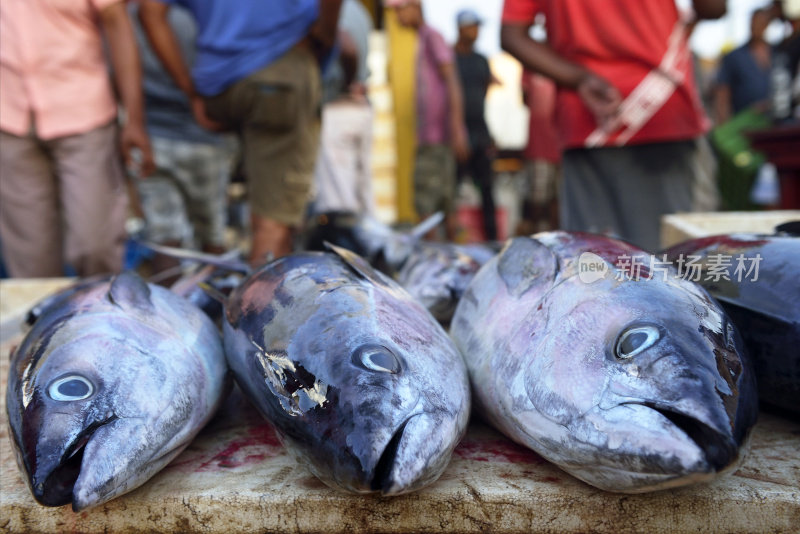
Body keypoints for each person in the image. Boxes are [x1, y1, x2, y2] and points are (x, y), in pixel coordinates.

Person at [501, 0, 726, 252]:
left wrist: (579, 78)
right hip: (662, 107)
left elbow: (512, 35)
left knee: (595, 265)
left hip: (589, 118)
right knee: (682, 259)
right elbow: (712, 8)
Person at [139, 0, 343, 265]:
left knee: (231, 216)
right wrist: (325, 34)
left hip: (217, 84)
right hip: (280, 70)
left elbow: (150, 11)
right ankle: (259, 304)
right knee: (273, 222)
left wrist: (189, 90)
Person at [0, 0, 154, 278]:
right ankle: (43, 321)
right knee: (30, 259)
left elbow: (118, 24)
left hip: (84, 116)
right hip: (8, 120)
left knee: (94, 246)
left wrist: (134, 119)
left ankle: (99, 316)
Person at [130, 3, 236, 278]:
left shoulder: (128, 17)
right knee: (211, 232)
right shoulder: (203, 16)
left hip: (150, 138)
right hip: (203, 137)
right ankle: (218, 304)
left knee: (165, 236)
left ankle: (167, 314)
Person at [389, 0, 470, 241]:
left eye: (399, 10)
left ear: (414, 7)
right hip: (432, 138)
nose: (397, 17)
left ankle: (431, 263)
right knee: (442, 203)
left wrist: (456, 128)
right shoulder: (422, 39)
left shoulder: (432, 36)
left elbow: (452, 79)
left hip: (436, 139)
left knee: (427, 205)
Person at [454, 8, 498, 242]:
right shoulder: (450, 59)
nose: (477, 31)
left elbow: (483, 96)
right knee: (452, 191)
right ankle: (453, 241)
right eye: (473, 26)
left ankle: (492, 241)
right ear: (462, 28)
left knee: (488, 190)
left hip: (480, 134)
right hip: (457, 135)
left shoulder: (481, 61)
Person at [713, 8, 776, 125]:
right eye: (753, 23)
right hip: (744, 124)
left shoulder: (777, 53)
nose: (756, 27)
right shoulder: (734, 56)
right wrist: (723, 124)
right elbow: (722, 93)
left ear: (767, 25)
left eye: (760, 23)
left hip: (775, 122)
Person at [519, 69, 561, 235]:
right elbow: (525, 98)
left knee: (558, 201)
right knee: (537, 199)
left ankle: (555, 239)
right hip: (539, 147)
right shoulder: (530, 67)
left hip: (563, 147)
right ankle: (538, 238)